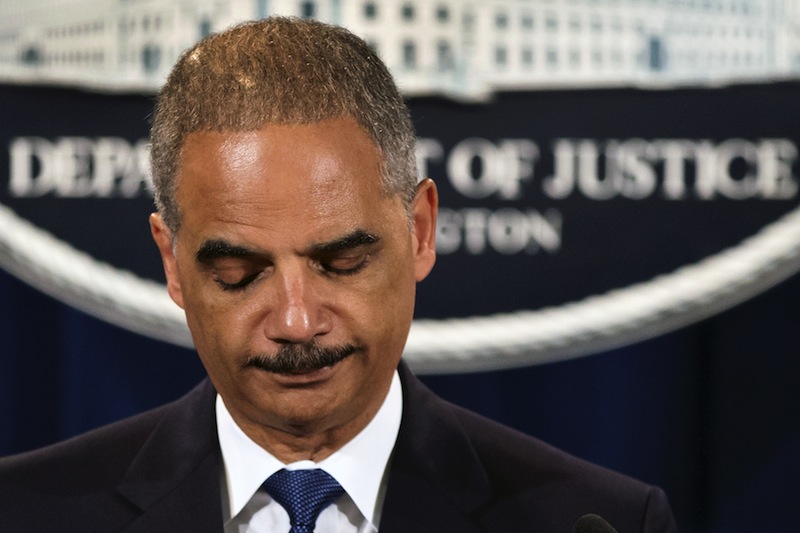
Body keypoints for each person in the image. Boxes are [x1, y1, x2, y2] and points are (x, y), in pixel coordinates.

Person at [0, 17, 677, 532]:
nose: (296, 320)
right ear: (171, 262)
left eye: (342, 263)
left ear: (419, 231)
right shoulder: (27, 511)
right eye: (240, 273)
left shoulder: (593, 520)